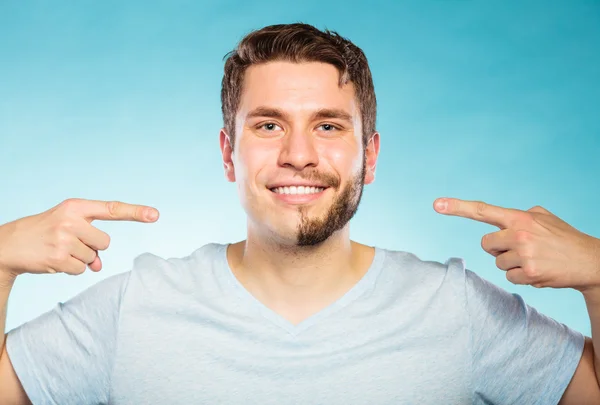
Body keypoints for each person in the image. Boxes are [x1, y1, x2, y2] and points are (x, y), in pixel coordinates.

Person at [0, 23, 599, 405]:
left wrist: (599, 271)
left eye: (328, 126)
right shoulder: (134, 306)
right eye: (268, 125)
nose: (298, 155)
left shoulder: (455, 307)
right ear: (228, 153)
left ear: (370, 154)